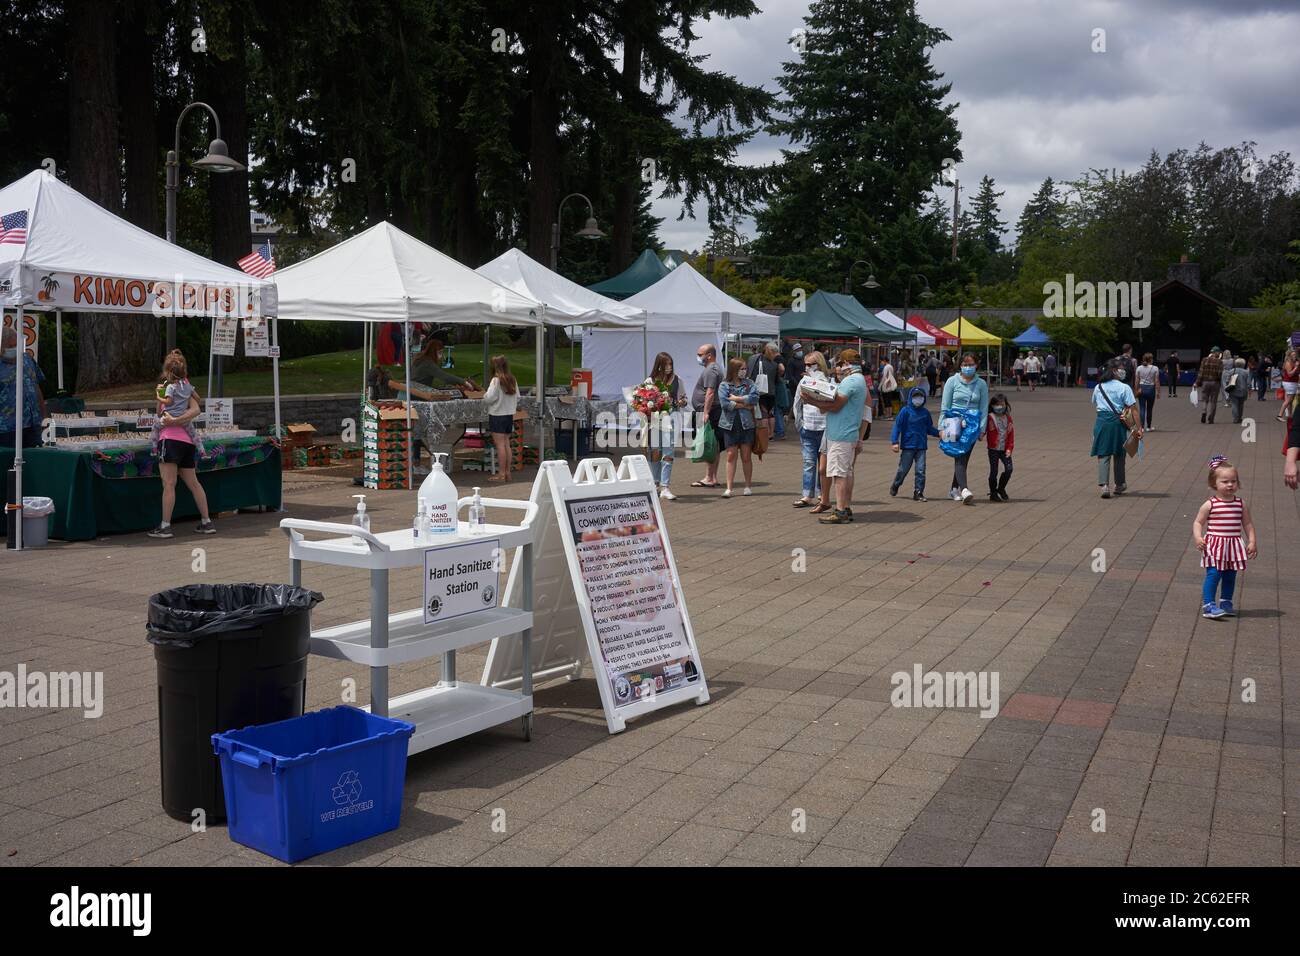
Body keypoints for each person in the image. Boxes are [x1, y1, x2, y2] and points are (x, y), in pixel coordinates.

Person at [147, 350, 214, 538]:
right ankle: (206, 521)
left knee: (168, 484)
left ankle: (165, 526)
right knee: (194, 483)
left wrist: (159, 398)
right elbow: (196, 407)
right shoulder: (187, 387)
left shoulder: (167, 387)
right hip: (187, 441)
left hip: (169, 439)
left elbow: (160, 412)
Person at [803, 350, 867, 524]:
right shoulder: (859, 380)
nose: (839, 368)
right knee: (844, 472)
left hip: (841, 433)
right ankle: (845, 507)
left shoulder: (851, 381)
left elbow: (836, 405)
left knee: (838, 474)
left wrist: (812, 401)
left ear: (846, 363)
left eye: (840, 364)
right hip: (847, 432)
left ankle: (840, 511)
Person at [1193, 456, 1256, 619]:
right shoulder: (1210, 504)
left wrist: (1252, 541)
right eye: (1225, 481)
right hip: (1215, 546)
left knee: (1230, 575)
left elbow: (1247, 523)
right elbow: (1198, 522)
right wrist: (1198, 537)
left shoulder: (1240, 503)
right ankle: (1208, 605)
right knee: (1214, 574)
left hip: (1233, 546)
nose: (1230, 485)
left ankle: (1226, 602)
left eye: (1233, 481)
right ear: (1214, 484)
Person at [940, 353, 990, 505]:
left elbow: (984, 407)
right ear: (960, 365)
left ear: (976, 365)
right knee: (959, 456)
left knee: (964, 457)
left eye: (971, 364)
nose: (968, 367)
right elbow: (945, 405)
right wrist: (941, 427)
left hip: (972, 425)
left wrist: (982, 429)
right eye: (965, 364)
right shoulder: (952, 381)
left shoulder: (981, 384)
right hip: (953, 423)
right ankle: (964, 489)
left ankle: (954, 488)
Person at [1091, 357, 1140, 499]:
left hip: (1101, 422)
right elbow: (1134, 409)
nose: (1123, 372)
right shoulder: (1124, 387)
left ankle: (1104, 485)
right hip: (1118, 423)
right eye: (1121, 370)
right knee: (1119, 453)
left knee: (1103, 453)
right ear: (1114, 371)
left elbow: (1095, 403)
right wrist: (1139, 428)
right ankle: (1119, 484)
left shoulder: (1098, 387)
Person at [645, 352, 687, 501]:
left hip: (672, 418)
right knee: (655, 451)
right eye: (666, 364)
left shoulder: (677, 379)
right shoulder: (650, 381)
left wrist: (682, 402)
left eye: (671, 364)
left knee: (668, 452)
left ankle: (665, 487)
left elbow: (683, 397)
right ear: (659, 365)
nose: (669, 367)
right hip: (656, 419)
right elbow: (643, 401)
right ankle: (655, 484)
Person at [150, 350, 205, 457]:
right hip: (184, 426)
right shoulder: (188, 387)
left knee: (155, 427)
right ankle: (202, 451)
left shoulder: (170, 387)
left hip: (168, 436)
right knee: (194, 433)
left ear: (168, 372)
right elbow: (198, 399)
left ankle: (154, 449)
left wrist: (159, 397)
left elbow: (161, 410)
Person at [791, 350, 829, 507]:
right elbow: (797, 402)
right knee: (808, 462)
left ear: (818, 364)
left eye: (810, 364)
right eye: (805, 364)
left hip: (825, 427)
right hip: (808, 427)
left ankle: (822, 493)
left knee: (822, 465)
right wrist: (799, 423)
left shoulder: (827, 381)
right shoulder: (803, 381)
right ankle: (807, 495)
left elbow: (830, 403)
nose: (806, 367)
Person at [889, 385, 939, 501]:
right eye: (915, 396)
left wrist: (939, 434)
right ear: (911, 397)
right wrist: (894, 442)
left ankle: (918, 491)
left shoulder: (925, 413)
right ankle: (896, 484)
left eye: (920, 396)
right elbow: (897, 427)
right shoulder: (905, 411)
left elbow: (929, 428)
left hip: (921, 446)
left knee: (920, 470)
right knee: (903, 469)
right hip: (908, 446)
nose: (918, 399)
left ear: (924, 398)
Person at [717, 357, 758, 498]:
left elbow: (754, 398)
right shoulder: (724, 385)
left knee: (746, 456)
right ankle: (729, 488)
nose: (744, 371)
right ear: (734, 370)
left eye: (745, 368)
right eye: (742, 369)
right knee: (730, 455)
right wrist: (744, 405)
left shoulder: (749, 383)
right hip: (730, 424)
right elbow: (724, 404)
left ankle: (747, 486)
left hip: (747, 424)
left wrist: (737, 399)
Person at [0, 327, 47, 449]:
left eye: (17, 344)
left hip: (33, 425)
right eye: (11, 346)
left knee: (34, 462)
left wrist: (44, 417)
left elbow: (36, 387)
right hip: (7, 429)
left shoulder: (27, 359)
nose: (15, 348)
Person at [690, 344, 723, 489]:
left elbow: (710, 392)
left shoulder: (711, 370)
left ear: (709, 355)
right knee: (713, 444)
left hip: (709, 412)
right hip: (709, 411)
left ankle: (709, 477)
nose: (698, 357)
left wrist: (705, 412)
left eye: (700, 354)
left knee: (709, 444)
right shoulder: (713, 369)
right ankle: (712, 476)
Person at [482, 355, 519, 483]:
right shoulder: (512, 379)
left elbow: (489, 398)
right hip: (509, 415)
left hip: (497, 415)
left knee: (500, 445)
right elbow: (517, 396)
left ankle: (501, 473)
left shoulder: (495, 380)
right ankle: (508, 472)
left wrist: (484, 395)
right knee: (506, 444)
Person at [746, 341, 783, 441]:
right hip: (772, 392)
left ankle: (764, 435)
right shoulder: (775, 364)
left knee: (763, 414)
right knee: (771, 413)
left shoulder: (756, 360)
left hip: (761, 391)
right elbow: (777, 379)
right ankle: (771, 434)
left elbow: (750, 375)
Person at [410, 337, 477, 392]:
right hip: (416, 392)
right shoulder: (427, 363)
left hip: (412, 390)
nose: (441, 356)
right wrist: (464, 382)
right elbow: (445, 376)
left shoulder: (421, 359)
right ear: (433, 352)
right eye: (440, 352)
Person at [986, 393, 1014, 502]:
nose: (999, 407)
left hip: (1004, 449)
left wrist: (1009, 448)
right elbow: (984, 429)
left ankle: (1001, 488)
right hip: (993, 449)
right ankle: (993, 492)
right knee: (994, 471)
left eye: (1002, 404)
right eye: (997, 404)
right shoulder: (990, 417)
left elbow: (1011, 434)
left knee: (1009, 469)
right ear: (992, 405)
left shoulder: (1008, 418)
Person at [1195, 346, 1224, 424]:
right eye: (1219, 352)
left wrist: (1197, 383)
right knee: (1213, 401)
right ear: (1216, 352)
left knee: (1205, 399)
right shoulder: (1219, 362)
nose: (1220, 353)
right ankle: (1211, 418)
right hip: (1215, 383)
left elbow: (1200, 372)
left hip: (1205, 382)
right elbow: (1220, 374)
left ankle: (1204, 411)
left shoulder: (1204, 360)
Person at [1134, 352, 1159, 431]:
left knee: (1142, 408)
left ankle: (1141, 427)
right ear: (1150, 359)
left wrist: (1136, 390)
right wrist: (1158, 391)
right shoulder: (1155, 368)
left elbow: (1137, 380)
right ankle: (1148, 427)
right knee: (1149, 409)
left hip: (1141, 389)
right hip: (1151, 389)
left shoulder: (1139, 368)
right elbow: (1157, 381)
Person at [1227, 357, 1249, 424]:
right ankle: (1239, 417)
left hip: (1233, 390)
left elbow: (1227, 381)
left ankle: (1235, 418)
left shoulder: (1231, 371)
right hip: (1243, 390)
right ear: (1243, 364)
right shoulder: (1246, 372)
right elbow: (1248, 382)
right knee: (1241, 404)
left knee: (1234, 404)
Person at [1277, 351, 1298, 423]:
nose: (1295, 356)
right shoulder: (1288, 363)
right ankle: (1279, 415)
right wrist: (1296, 367)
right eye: (1293, 355)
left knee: (1290, 401)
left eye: (1295, 355)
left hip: (1292, 383)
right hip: (1290, 383)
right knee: (1288, 400)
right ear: (1289, 356)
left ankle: (1290, 416)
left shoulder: (1294, 362)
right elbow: (1290, 374)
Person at [878, 355, 899, 419]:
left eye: (881, 361)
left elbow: (884, 377)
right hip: (890, 385)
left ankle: (887, 414)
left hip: (886, 385)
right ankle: (890, 414)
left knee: (886, 400)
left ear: (884, 361)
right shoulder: (891, 366)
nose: (881, 363)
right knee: (889, 400)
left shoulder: (886, 367)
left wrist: (881, 385)